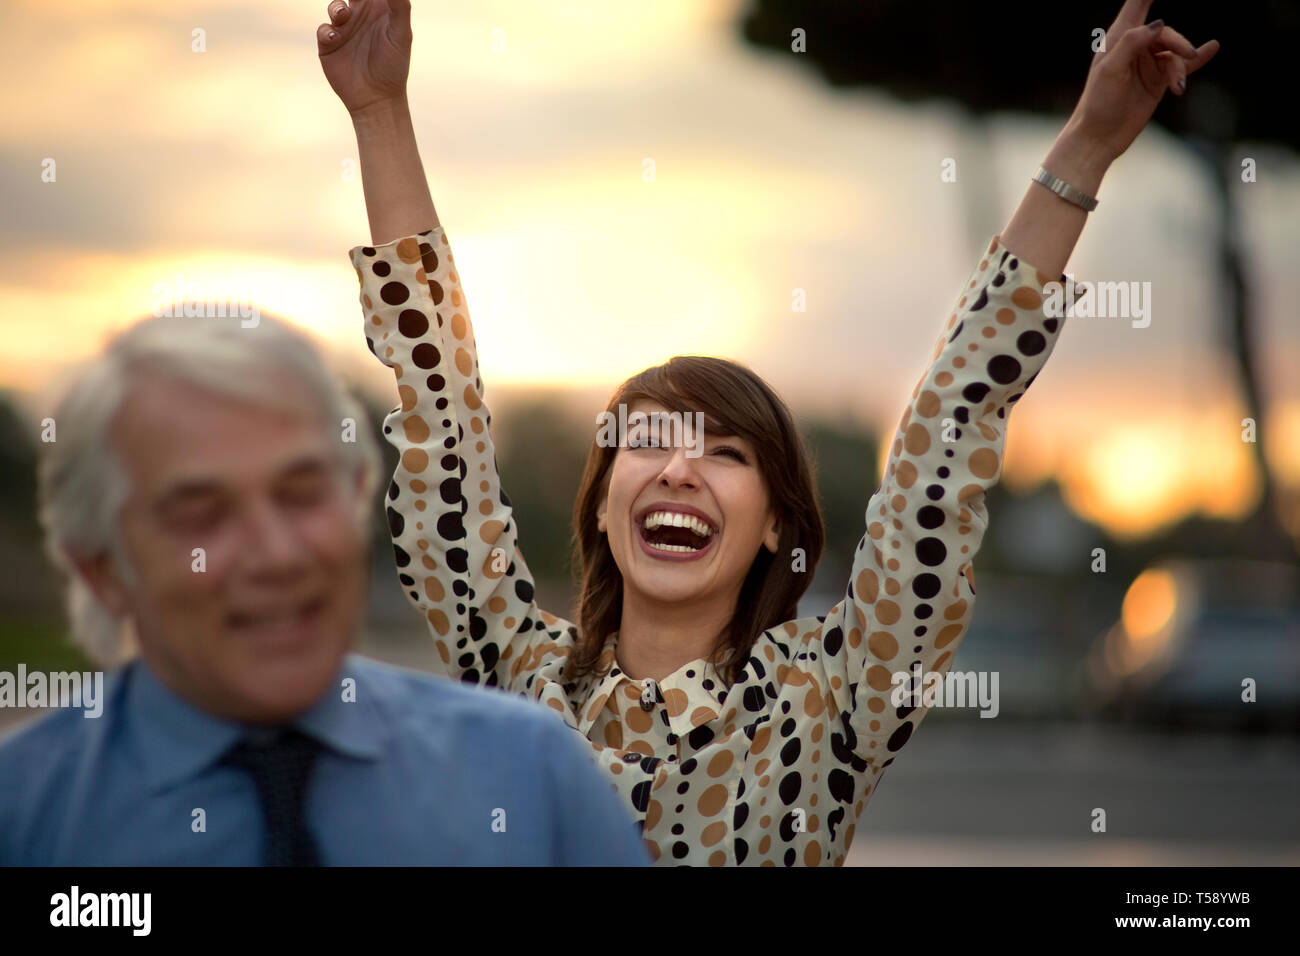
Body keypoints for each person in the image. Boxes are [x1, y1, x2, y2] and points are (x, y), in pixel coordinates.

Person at [317, 0, 1219, 865]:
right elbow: (442, 416)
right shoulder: (515, 675)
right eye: (651, 441)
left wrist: (1088, 148)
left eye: (726, 453)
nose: (678, 469)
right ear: (598, 507)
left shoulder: (832, 694)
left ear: (778, 523)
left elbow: (947, 432)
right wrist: (381, 112)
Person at [0, 310, 650, 866]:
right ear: (102, 569)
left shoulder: (535, 778)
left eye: (303, 493)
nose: (278, 554)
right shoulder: (23, 819)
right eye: (201, 513)